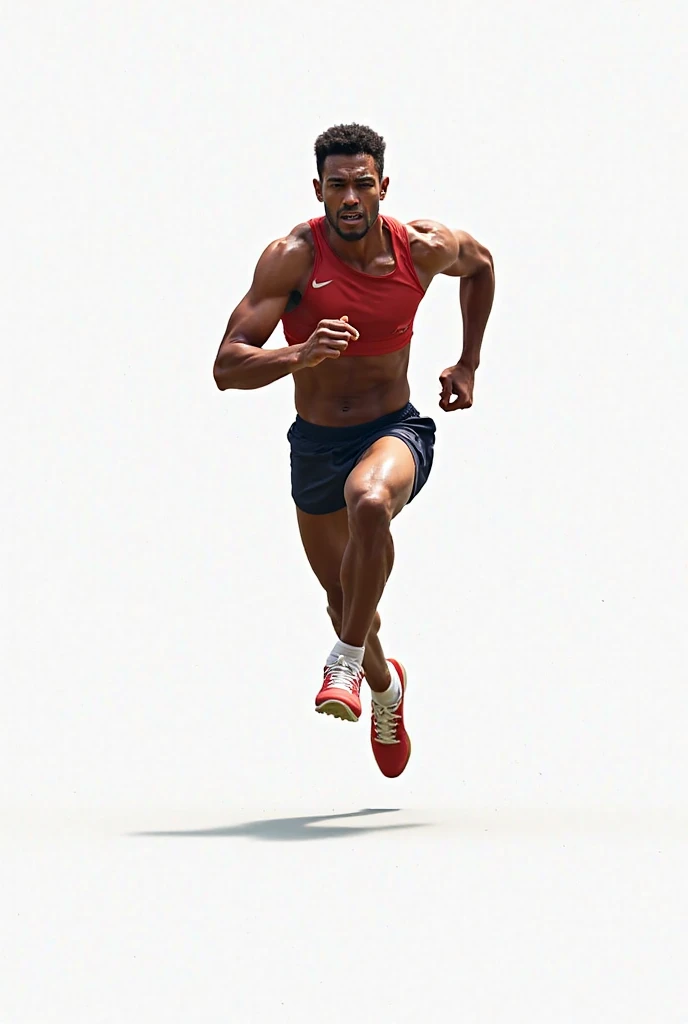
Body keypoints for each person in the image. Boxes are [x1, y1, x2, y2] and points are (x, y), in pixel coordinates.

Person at [213, 123, 495, 778]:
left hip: (394, 429)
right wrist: (296, 353)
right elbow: (227, 365)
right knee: (348, 603)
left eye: (361, 184)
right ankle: (385, 687)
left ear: (382, 187)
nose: (349, 197)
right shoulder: (291, 259)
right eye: (336, 185)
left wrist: (468, 362)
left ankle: (340, 665)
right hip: (315, 445)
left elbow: (480, 266)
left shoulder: (422, 247)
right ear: (318, 189)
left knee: (369, 501)